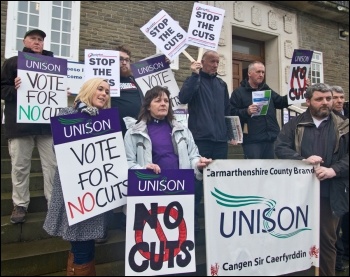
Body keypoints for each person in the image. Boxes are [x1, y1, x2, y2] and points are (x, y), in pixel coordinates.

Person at [275, 83, 349, 276]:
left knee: (326, 241)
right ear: (308, 101)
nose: (325, 103)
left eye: (328, 98)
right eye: (319, 99)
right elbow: (280, 148)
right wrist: (302, 161)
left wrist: (334, 170)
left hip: (330, 192)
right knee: (294, 238)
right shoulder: (294, 124)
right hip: (298, 193)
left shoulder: (343, 126)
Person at [43, 77, 111, 276]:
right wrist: (83, 117)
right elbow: (60, 152)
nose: (104, 94)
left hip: (95, 193)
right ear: (88, 89)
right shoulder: (67, 114)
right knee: (82, 247)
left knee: (83, 246)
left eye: (107, 92)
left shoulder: (105, 121)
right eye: (100, 89)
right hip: (76, 194)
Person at [1, 29, 57, 224]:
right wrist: (15, 89)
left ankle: (53, 203)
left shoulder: (54, 64)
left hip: (46, 126)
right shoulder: (12, 63)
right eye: (33, 38)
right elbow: (2, 88)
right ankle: (20, 204)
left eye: (40, 39)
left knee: (51, 166)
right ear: (25, 41)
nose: (37, 42)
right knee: (19, 166)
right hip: (20, 125)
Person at [178, 50, 234, 231]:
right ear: (203, 62)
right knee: (197, 182)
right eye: (212, 62)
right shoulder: (194, 81)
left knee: (219, 183)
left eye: (217, 62)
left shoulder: (221, 84)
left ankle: (217, 221)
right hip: (200, 140)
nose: (215, 65)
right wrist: (194, 75)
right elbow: (183, 98)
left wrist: (231, 134)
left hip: (219, 142)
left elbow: (227, 111)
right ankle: (192, 223)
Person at [124, 84, 212, 188]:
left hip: (180, 186)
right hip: (149, 188)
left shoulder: (182, 130)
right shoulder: (134, 132)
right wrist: (144, 170)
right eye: (158, 101)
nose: (163, 104)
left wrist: (198, 165)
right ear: (148, 106)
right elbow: (128, 163)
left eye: (166, 101)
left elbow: (193, 156)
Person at [230, 61, 289, 159]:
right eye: (258, 72)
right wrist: (247, 111)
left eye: (263, 72)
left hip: (271, 139)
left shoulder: (267, 90)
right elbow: (232, 112)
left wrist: (299, 90)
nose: (261, 75)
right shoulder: (239, 92)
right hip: (252, 141)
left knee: (270, 172)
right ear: (249, 73)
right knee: (254, 171)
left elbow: (281, 102)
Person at [331, 85, 349, 272]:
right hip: (337, 176)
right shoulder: (328, 121)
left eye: (341, 97)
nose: (338, 100)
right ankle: (337, 261)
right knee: (336, 221)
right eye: (335, 97)